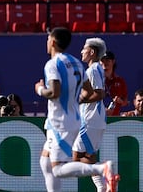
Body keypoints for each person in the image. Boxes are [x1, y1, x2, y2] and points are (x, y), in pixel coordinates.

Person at [34, 27, 119, 192]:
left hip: (61, 122)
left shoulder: (52, 64)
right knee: (45, 161)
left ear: (52, 41)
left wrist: (39, 89)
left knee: (58, 169)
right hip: (69, 119)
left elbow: (54, 92)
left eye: (48, 39)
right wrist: (74, 99)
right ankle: (101, 183)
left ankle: (102, 169)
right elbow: (88, 91)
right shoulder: (76, 63)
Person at [72, 37, 108, 192]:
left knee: (75, 159)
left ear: (92, 52)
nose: (81, 51)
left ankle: (106, 170)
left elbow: (99, 94)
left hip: (89, 121)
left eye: (84, 48)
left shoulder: (93, 70)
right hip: (95, 121)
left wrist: (80, 100)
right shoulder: (97, 69)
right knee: (90, 157)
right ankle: (103, 187)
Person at [100, 51, 129, 116]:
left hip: (114, 119)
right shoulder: (96, 79)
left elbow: (125, 101)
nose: (105, 63)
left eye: (107, 60)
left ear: (113, 62)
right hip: (98, 118)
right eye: (102, 60)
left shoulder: (120, 81)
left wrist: (120, 101)